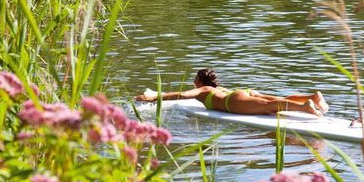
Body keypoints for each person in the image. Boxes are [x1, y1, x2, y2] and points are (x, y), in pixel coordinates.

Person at [135, 68, 328, 118]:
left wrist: (154, 97)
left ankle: (305, 107)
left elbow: (182, 95)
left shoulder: (204, 89)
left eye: (195, 78)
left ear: (200, 81)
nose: (193, 81)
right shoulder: (217, 88)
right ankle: (311, 97)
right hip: (241, 91)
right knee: (278, 99)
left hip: (232, 102)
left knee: (270, 107)